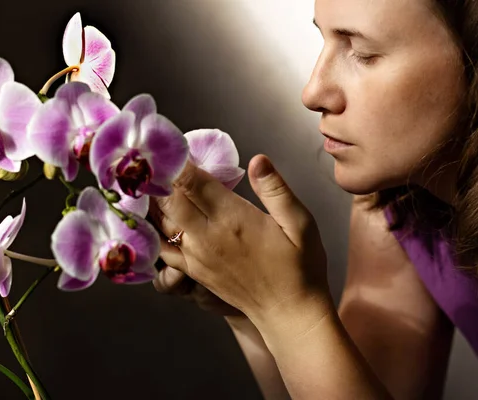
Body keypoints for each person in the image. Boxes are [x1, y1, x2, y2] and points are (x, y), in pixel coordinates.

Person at [148, 0, 478, 399]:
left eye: (363, 53)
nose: (313, 92)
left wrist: (287, 309)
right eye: (323, 39)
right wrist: (253, 306)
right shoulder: (402, 205)